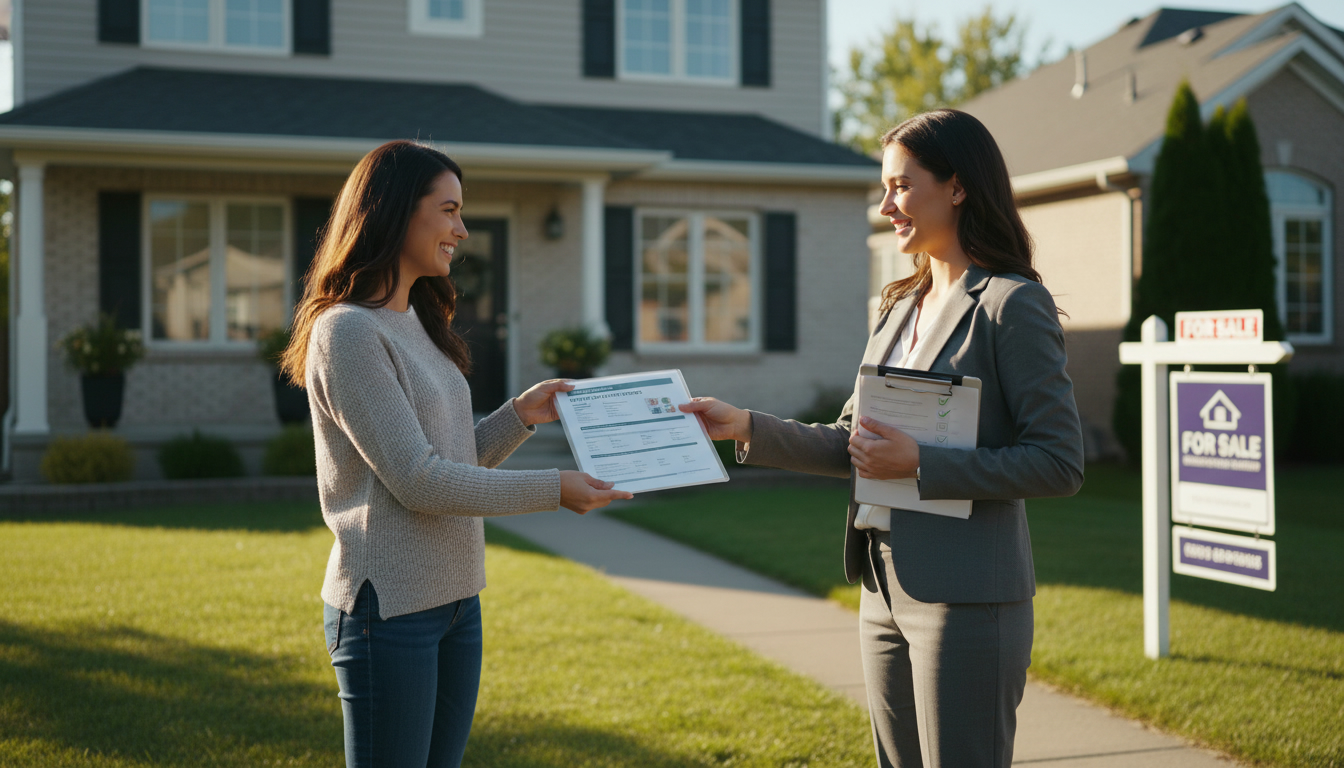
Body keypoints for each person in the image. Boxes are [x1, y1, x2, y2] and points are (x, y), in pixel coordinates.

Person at [680, 109, 1084, 767]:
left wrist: (924, 463)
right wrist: (747, 426)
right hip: (881, 583)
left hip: (968, 597)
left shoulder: (1011, 305)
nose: (885, 203)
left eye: (901, 185)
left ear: (957, 187)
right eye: (885, 187)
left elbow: (1059, 463)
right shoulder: (897, 305)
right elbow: (853, 441)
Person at [279, 140, 632, 768]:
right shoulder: (347, 332)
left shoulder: (413, 320)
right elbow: (420, 481)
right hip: (387, 613)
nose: (461, 230)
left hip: (455, 601)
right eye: (448, 210)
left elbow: (450, 456)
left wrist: (520, 415)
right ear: (393, 212)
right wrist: (556, 488)